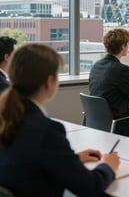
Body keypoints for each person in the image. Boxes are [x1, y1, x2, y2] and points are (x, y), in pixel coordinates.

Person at [0, 43, 119, 196]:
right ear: (49, 81)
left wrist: (72, 159)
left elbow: (24, 160)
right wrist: (108, 166)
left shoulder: (8, 117)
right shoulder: (47, 130)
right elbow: (90, 187)